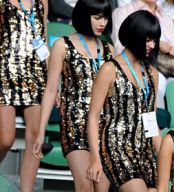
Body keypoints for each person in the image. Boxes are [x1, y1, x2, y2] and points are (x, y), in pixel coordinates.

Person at [32, 0, 114, 191]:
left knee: (101, 189)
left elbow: (112, 95)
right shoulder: (62, 45)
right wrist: (40, 132)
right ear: (85, 16)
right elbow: (51, 90)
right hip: (74, 126)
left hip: (103, 128)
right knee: (84, 185)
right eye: (97, 17)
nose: (103, 23)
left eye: (105, 17)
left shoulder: (109, 50)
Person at [86, 10, 162, 192]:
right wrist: (95, 159)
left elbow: (151, 120)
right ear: (135, 35)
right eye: (148, 39)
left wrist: (164, 157)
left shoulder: (152, 73)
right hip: (115, 148)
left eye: (155, 40)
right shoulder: (109, 69)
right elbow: (93, 116)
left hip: (144, 151)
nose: (152, 45)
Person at [0, 0, 48, 191]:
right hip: (4, 74)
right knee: (6, 139)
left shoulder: (41, 1)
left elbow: (43, 38)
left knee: (36, 137)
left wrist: (51, 81)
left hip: (34, 75)